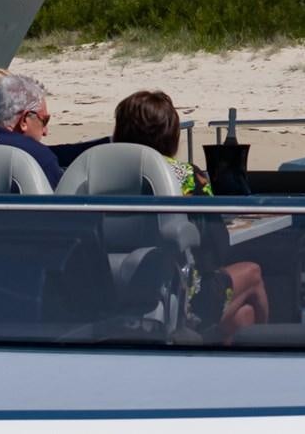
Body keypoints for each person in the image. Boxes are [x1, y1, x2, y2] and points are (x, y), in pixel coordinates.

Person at [112, 89, 269, 339]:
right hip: (178, 299)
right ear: (171, 136)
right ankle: (271, 355)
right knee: (252, 273)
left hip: (112, 296)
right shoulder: (188, 177)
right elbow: (218, 246)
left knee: (242, 315)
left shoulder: (101, 176)